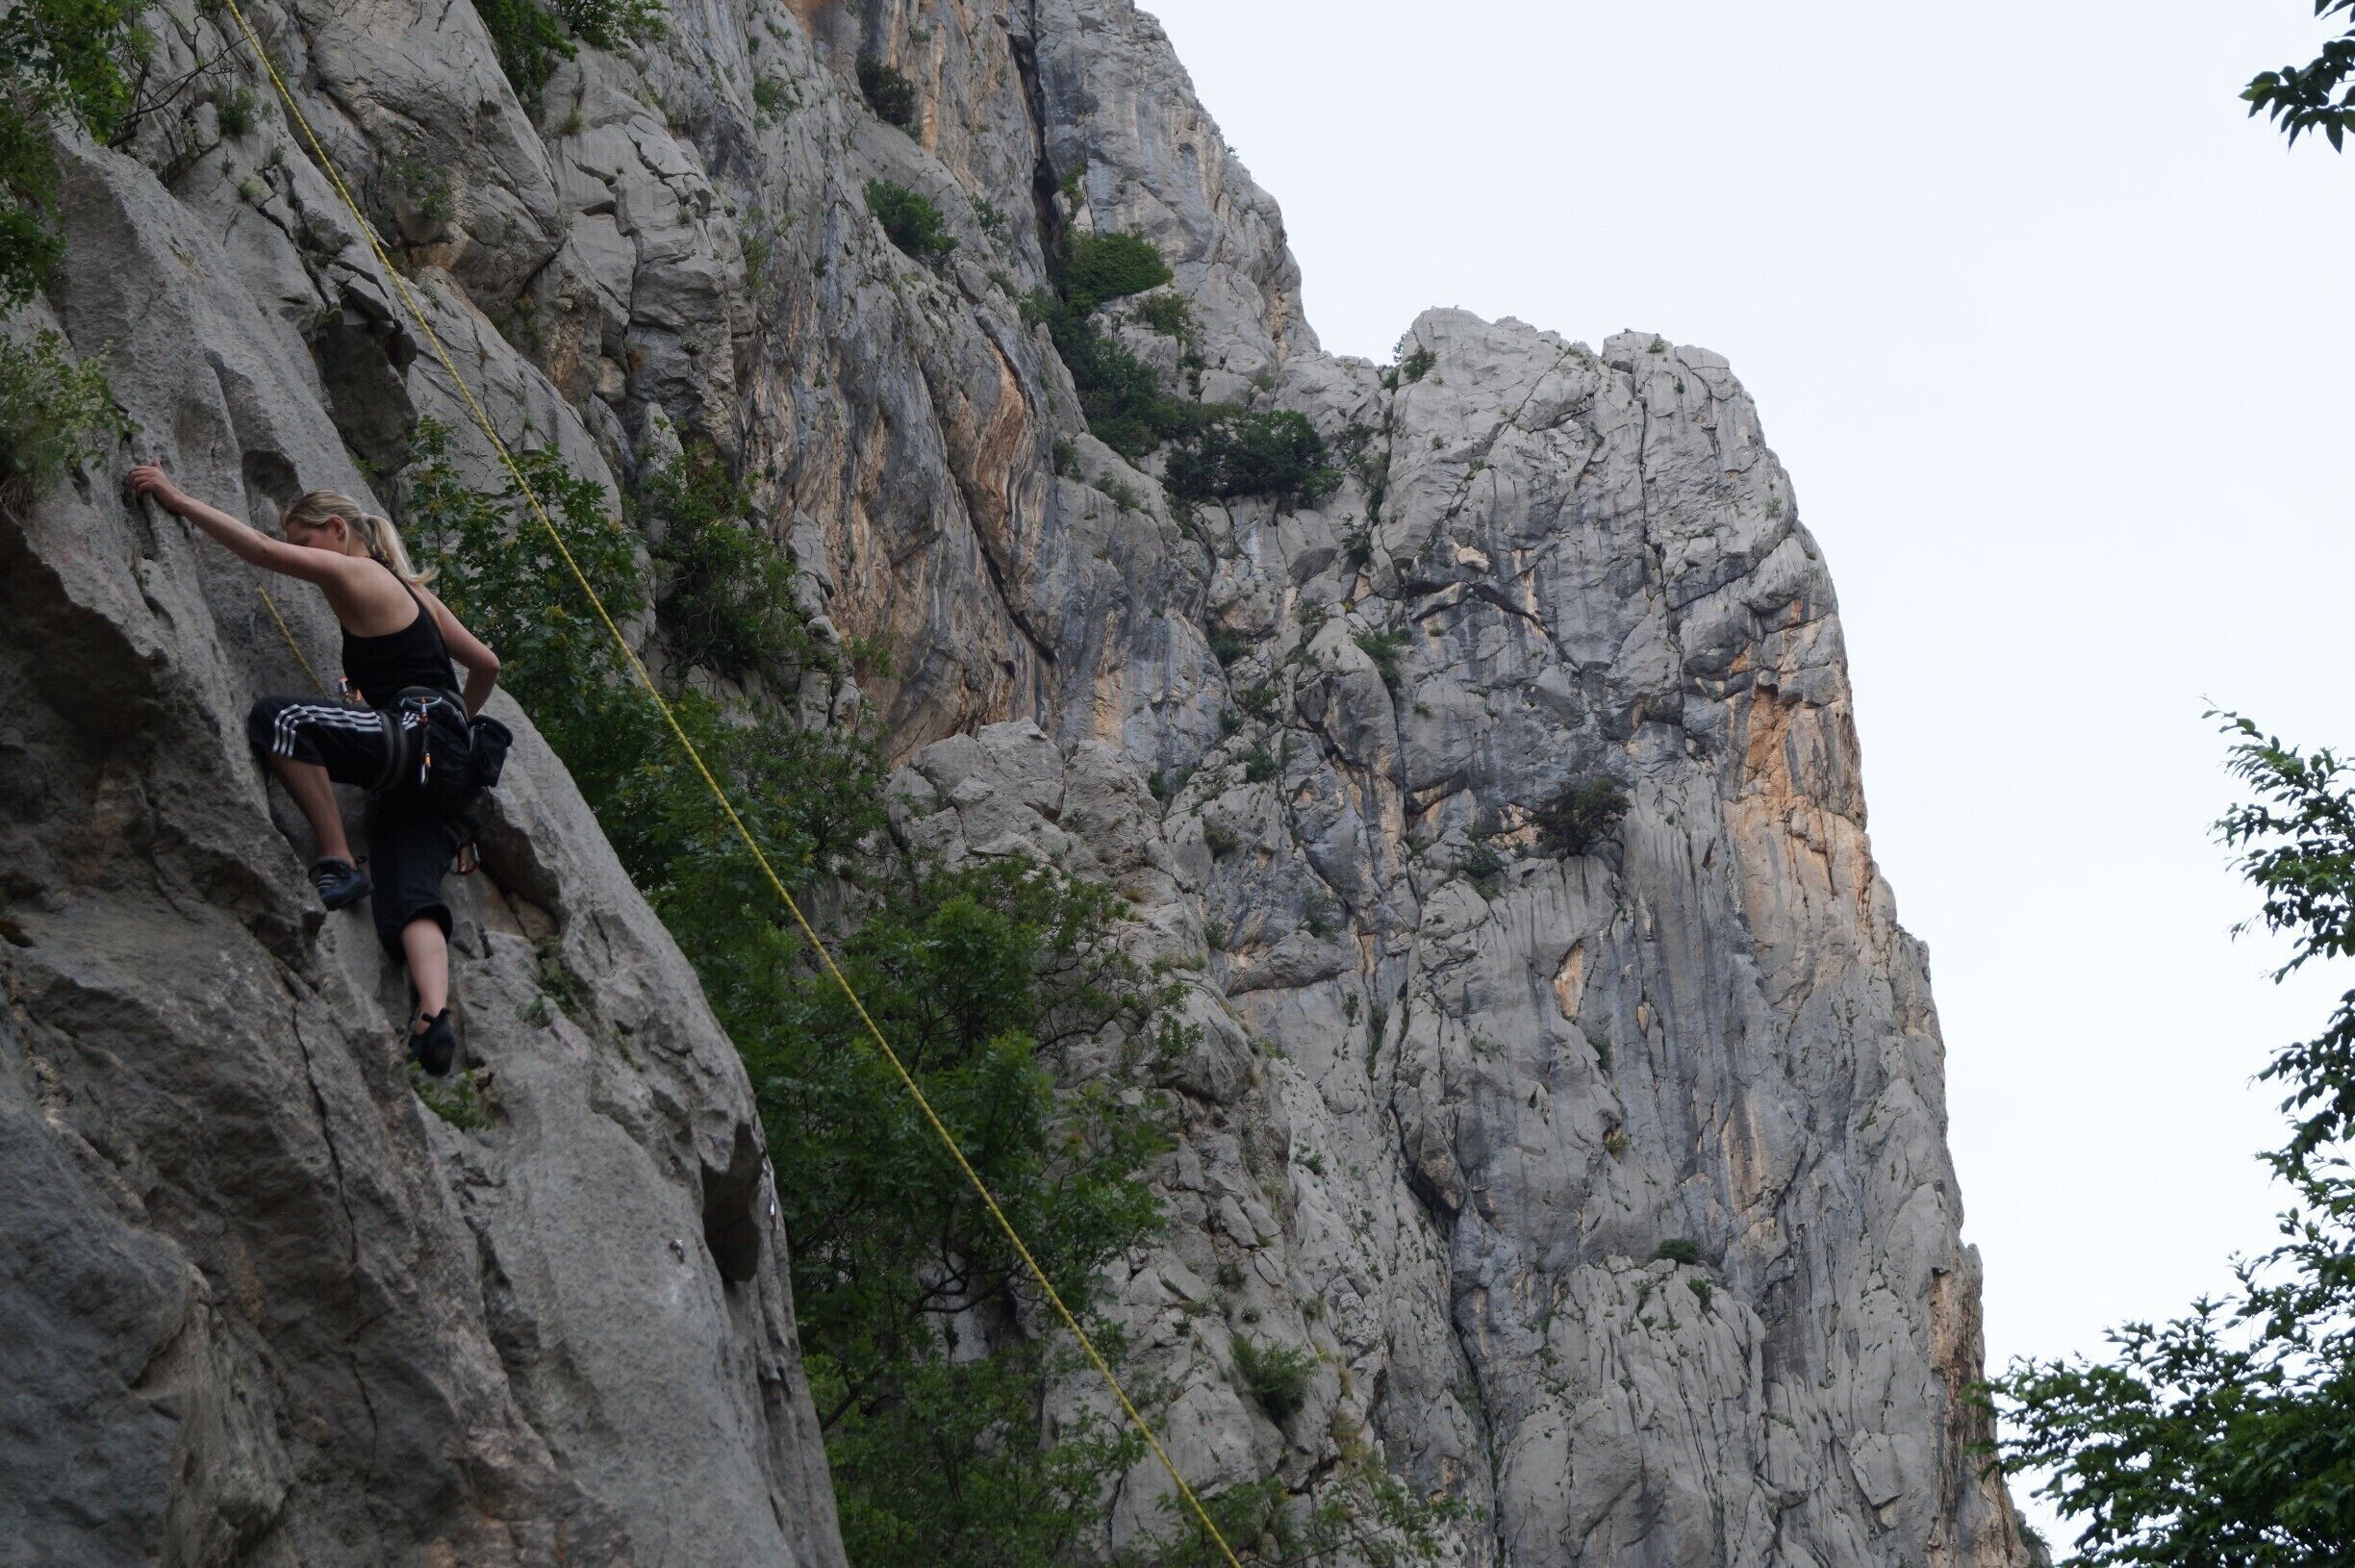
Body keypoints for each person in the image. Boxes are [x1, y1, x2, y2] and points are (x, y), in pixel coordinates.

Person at [128, 464, 500, 1075]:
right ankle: (434, 1013)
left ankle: (334, 860)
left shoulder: (356, 570)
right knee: (411, 893)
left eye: (307, 541)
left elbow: (259, 551)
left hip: (410, 742)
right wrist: (450, 720)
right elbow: (487, 664)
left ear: (335, 530)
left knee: (280, 719)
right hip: (450, 774)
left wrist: (176, 496)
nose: (305, 555)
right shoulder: (422, 598)